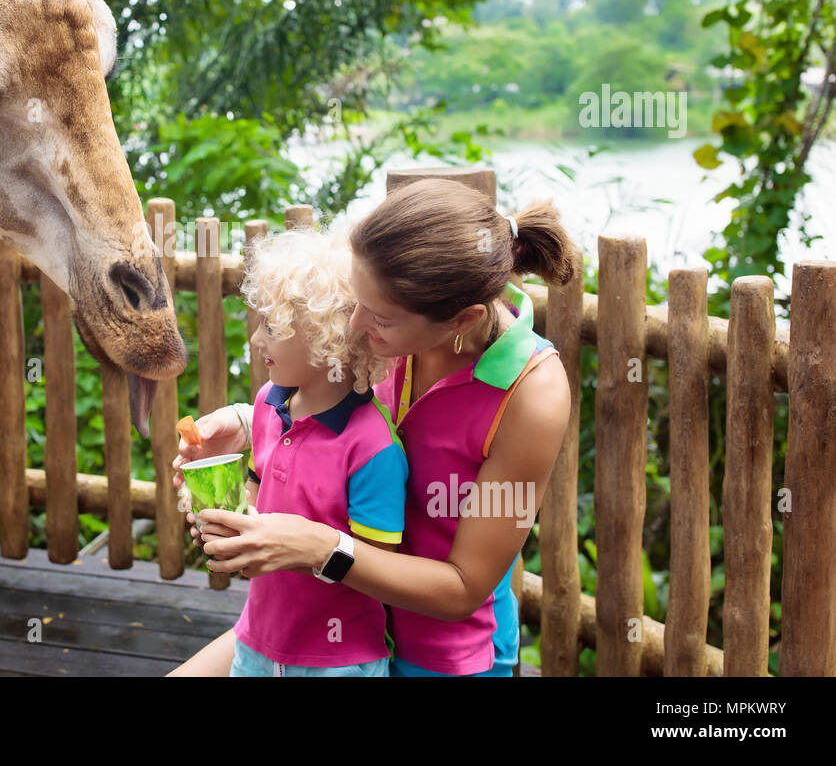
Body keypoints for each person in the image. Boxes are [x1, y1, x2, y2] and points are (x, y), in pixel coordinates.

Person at [167, 178, 576, 677]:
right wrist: (247, 423)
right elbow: (330, 409)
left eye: (378, 317)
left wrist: (318, 548)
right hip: (324, 627)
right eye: (354, 301)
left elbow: (463, 587)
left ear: (461, 320)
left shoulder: (531, 393)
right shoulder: (391, 329)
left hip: (439, 655)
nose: (354, 326)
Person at [217, 225, 407, 675]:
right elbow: (256, 489)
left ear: (328, 338)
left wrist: (307, 550)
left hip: (339, 660)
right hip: (257, 643)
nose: (255, 340)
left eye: (271, 325)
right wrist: (226, 520)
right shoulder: (268, 403)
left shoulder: (373, 448)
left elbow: (378, 567)